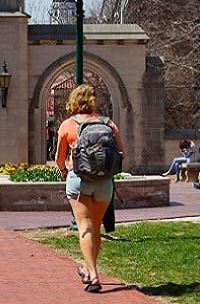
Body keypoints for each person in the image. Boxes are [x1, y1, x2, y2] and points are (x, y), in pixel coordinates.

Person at [54, 84, 124, 293]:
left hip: (79, 181)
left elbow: (58, 158)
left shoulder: (68, 125)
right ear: (93, 102)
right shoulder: (108, 124)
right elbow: (121, 153)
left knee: (84, 227)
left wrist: (64, 171)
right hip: (104, 183)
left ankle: (93, 275)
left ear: (73, 102)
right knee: (95, 228)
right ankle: (88, 268)